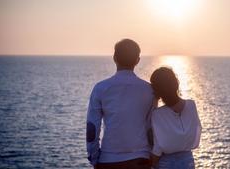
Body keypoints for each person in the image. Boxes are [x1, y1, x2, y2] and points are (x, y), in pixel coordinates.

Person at [86, 39, 155, 169]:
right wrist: (151, 155)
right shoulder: (149, 90)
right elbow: (151, 128)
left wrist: (94, 158)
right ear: (137, 60)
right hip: (141, 160)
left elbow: (92, 128)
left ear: (114, 58)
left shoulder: (101, 88)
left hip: (108, 160)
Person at [149, 67, 202, 169]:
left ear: (157, 91)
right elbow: (196, 131)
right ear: (175, 83)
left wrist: (152, 165)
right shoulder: (191, 105)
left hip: (166, 163)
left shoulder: (157, 114)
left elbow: (158, 148)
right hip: (188, 161)